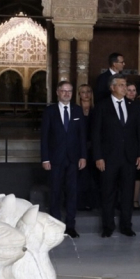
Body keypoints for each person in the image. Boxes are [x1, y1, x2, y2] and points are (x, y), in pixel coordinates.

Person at [92, 76, 140, 238]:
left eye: (125, 85)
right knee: (108, 193)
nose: (125, 88)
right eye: (121, 85)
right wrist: (98, 157)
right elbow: (96, 134)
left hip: (129, 157)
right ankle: (108, 226)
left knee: (127, 193)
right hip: (108, 158)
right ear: (112, 88)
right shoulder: (102, 106)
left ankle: (126, 225)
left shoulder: (134, 106)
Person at [40, 81, 86, 238]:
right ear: (57, 92)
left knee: (72, 193)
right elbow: (44, 137)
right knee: (55, 192)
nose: (67, 93)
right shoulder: (49, 111)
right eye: (64, 91)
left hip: (73, 159)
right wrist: (45, 158)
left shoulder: (77, 110)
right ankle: (55, 226)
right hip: (55, 159)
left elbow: (82, 136)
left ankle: (70, 226)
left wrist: (83, 156)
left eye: (69, 91)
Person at [126, 82, 140, 210]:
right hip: (124, 144)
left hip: (138, 143)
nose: (132, 93)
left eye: (134, 90)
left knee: (138, 173)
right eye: (129, 90)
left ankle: (135, 200)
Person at [76, 84, 98, 211]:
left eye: (88, 91)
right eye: (83, 92)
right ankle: (80, 202)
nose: (86, 94)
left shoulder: (96, 110)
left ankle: (92, 202)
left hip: (93, 148)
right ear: (79, 95)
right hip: (79, 148)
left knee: (93, 176)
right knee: (80, 176)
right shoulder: (75, 110)